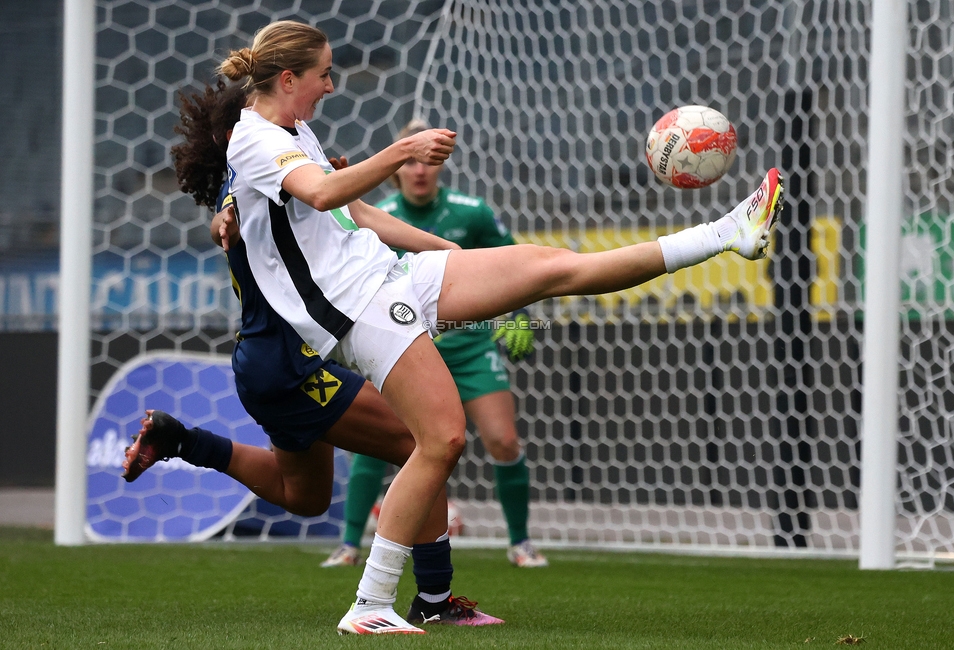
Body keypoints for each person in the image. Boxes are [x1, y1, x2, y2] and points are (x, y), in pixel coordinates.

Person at [218, 19, 782, 635]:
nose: (331, 85)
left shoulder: (294, 127)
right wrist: (401, 151)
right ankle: (370, 605)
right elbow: (323, 194)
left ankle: (728, 234)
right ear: (289, 77)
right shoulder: (251, 139)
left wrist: (451, 259)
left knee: (553, 268)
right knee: (441, 439)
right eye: (324, 73)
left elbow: (357, 214)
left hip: (393, 277)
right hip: (358, 310)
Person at [127, 78, 503, 630]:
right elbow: (248, 217)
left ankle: (181, 438)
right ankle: (434, 598)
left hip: (271, 365)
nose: (293, 129)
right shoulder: (255, 188)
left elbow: (339, 213)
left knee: (301, 495)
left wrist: (447, 254)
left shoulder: (262, 188)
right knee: (418, 440)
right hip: (289, 366)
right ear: (242, 132)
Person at [321, 119, 547, 570]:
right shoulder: (377, 215)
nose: (420, 171)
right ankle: (349, 545)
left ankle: (520, 543)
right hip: (405, 345)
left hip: (470, 345)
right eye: (411, 162)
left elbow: (514, 264)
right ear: (398, 168)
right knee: (380, 445)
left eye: (428, 162)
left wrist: (521, 317)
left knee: (503, 439)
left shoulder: (473, 212)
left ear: (439, 167)